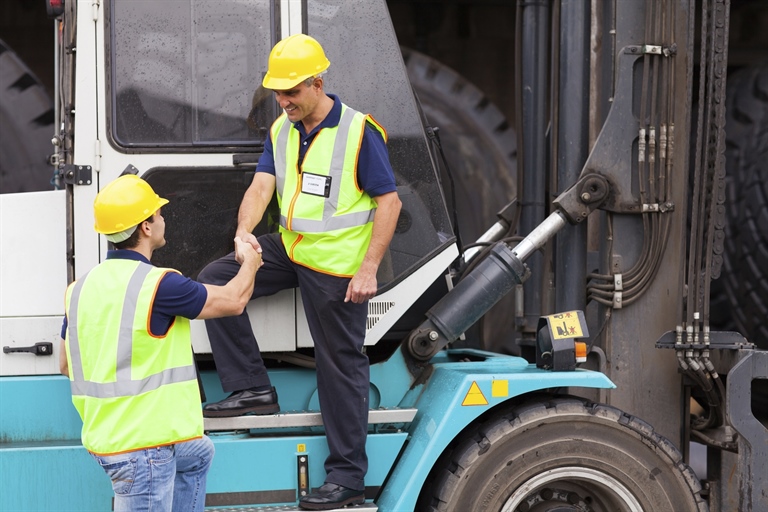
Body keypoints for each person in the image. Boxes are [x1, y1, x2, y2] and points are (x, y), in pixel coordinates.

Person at [197, 34, 402, 510]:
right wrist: (244, 233)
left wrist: (368, 268)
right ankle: (252, 389)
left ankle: (347, 479)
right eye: (278, 93)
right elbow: (262, 184)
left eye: (291, 92)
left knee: (340, 367)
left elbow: (389, 202)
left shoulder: (358, 132)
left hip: (336, 264)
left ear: (317, 83)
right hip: (290, 248)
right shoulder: (281, 129)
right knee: (216, 278)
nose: (283, 101)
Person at [59, 174, 262, 512]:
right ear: (147, 227)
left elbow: (66, 365)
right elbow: (234, 300)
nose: (164, 218)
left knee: (198, 454)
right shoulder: (161, 285)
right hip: (144, 452)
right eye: (159, 213)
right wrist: (252, 261)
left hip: (108, 440)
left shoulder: (80, 289)